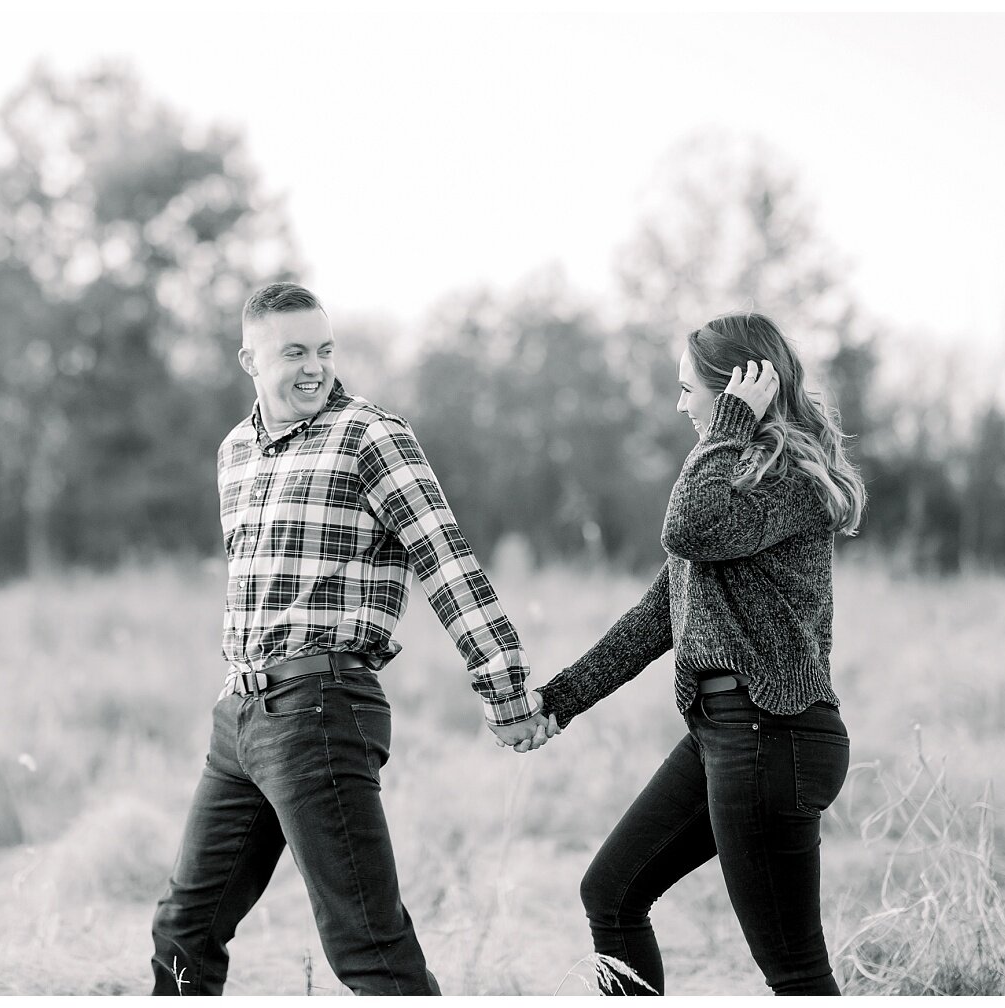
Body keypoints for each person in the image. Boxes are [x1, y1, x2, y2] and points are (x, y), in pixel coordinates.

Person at [150, 281, 554, 996]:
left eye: (325, 350)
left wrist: (506, 688)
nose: (315, 367)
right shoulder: (235, 451)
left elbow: (445, 560)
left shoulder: (370, 435)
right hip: (240, 716)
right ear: (250, 358)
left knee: (366, 945)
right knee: (184, 932)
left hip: (320, 706)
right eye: (294, 351)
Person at [528, 311, 867, 996]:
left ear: (738, 388)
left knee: (798, 975)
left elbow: (686, 527)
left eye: (689, 389)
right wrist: (555, 702)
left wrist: (727, 429)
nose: (681, 405)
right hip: (729, 736)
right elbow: (658, 616)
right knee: (612, 895)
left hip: (772, 737)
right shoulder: (736, 483)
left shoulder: (787, 481)